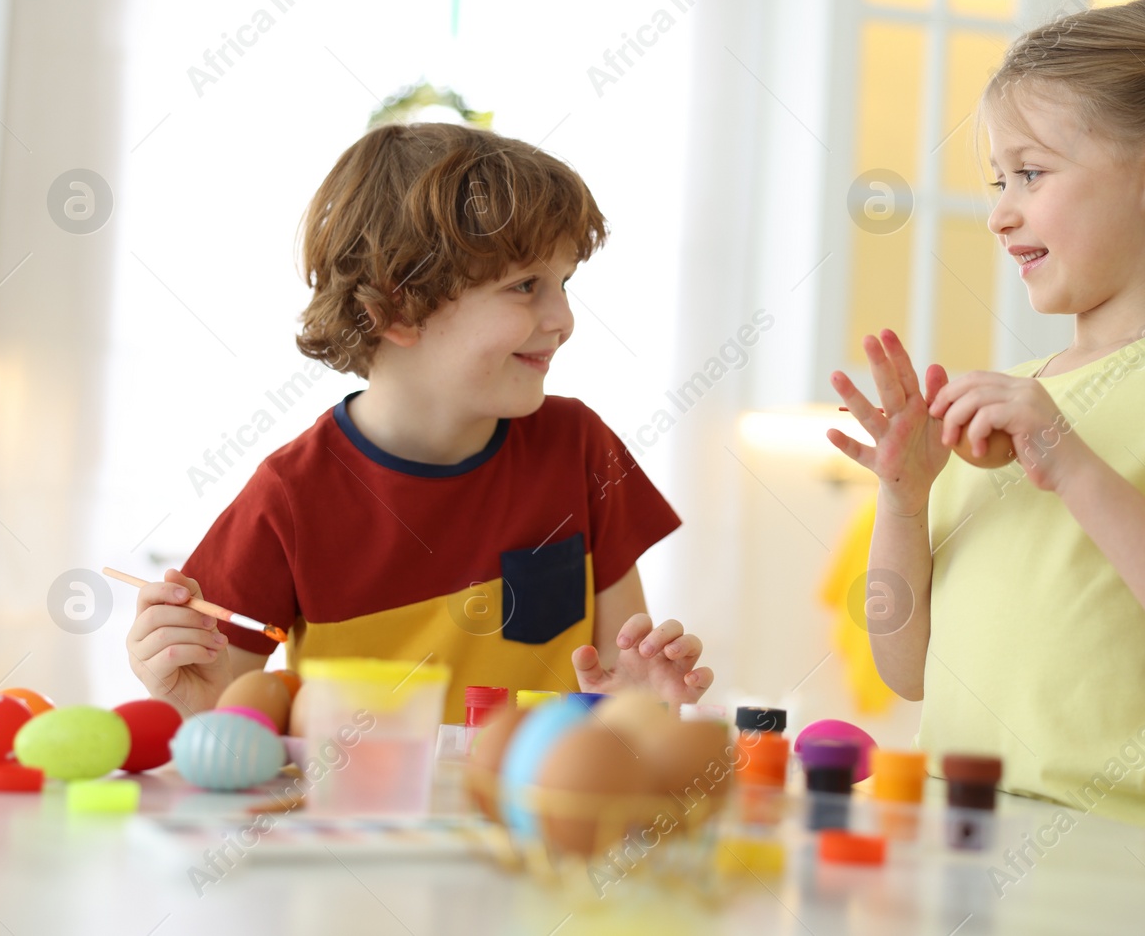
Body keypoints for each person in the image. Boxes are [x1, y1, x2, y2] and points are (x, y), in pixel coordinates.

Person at [828, 0, 1145, 847]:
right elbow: (907, 669)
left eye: (1030, 173)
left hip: (1139, 862)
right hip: (966, 845)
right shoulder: (1017, 399)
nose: (998, 209)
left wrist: (1072, 462)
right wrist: (904, 497)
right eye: (998, 180)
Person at [125, 122, 711, 725]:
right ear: (397, 307)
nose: (562, 318)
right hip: (357, 814)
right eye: (525, 286)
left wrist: (639, 707)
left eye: (564, 282)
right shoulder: (290, 498)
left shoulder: (580, 448)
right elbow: (224, 728)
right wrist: (193, 705)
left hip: (527, 815)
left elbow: (619, 692)